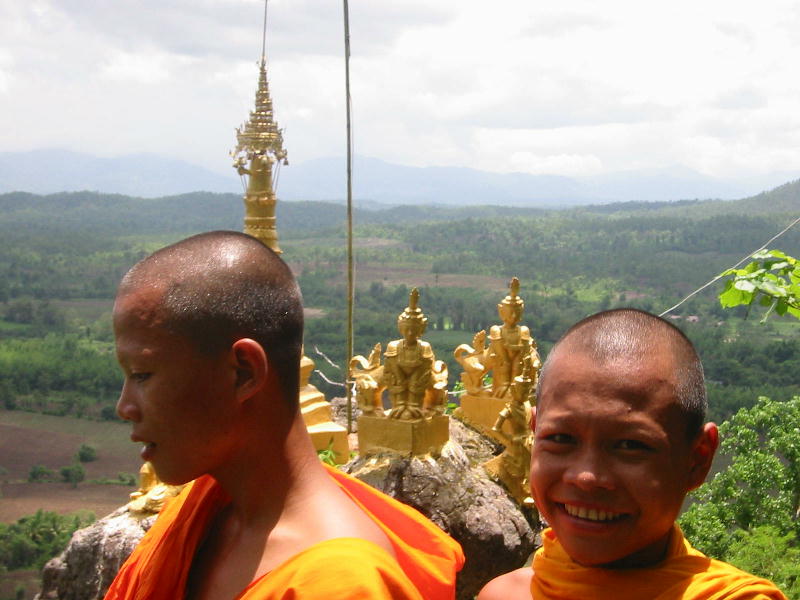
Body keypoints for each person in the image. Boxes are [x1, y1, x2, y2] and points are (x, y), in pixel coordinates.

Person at [103, 231, 463, 600]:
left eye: (142, 375)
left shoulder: (341, 585)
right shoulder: (205, 515)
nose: (124, 406)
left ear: (243, 373)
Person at [478, 308, 786, 600]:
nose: (586, 477)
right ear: (534, 432)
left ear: (698, 460)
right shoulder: (503, 594)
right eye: (560, 438)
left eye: (630, 446)